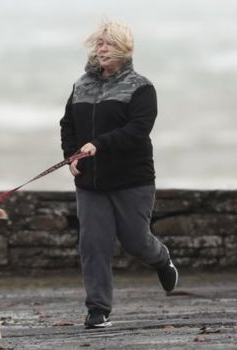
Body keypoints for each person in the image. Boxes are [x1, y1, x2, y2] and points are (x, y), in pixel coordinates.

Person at [59, 20, 178, 329]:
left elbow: (138, 130)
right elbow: (67, 124)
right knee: (93, 243)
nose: (102, 49)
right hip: (90, 183)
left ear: (124, 49)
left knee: (135, 241)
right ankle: (98, 309)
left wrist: (100, 144)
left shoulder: (141, 87)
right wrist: (71, 155)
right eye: (99, 44)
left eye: (109, 44)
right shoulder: (81, 85)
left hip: (132, 180)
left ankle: (162, 259)